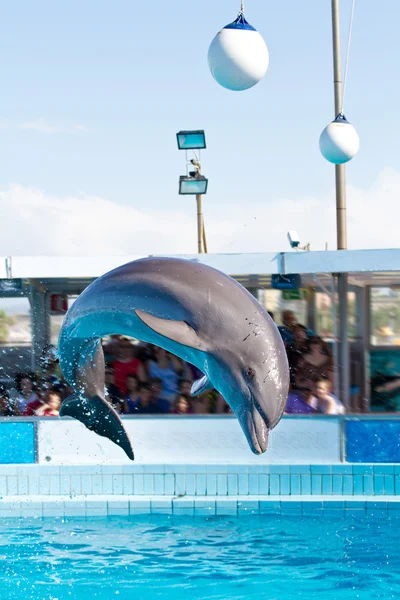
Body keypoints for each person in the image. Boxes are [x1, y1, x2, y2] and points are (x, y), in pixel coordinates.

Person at [146, 347, 182, 412]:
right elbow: (147, 380)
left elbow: (179, 370)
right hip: (156, 395)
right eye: (155, 351)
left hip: (172, 396)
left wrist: (171, 356)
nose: (158, 352)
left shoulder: (173, 363)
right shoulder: (150, 363)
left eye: (160, 349)